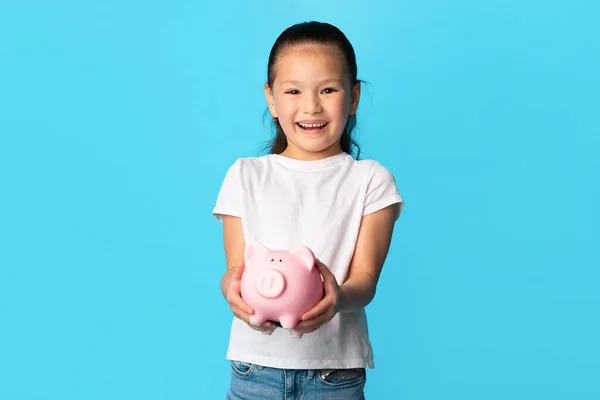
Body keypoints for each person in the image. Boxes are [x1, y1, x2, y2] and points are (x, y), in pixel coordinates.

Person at [213, 20, 404, 400]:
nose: (311, 106)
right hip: (254, 370)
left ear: (353, 97)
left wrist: (336, 299)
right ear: (271, 98)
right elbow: (236, 271)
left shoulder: (371, 180)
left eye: (328, 89)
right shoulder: (244, 175)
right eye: (293, 90)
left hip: (333, 376)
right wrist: (230, 292)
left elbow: (365, 281)